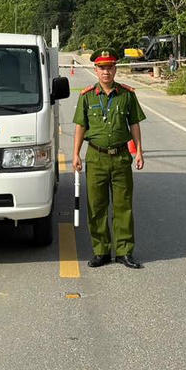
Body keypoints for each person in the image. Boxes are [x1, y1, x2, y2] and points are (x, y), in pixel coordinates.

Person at [72, 47, 146, 269]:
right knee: (97, 206)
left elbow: (134, 124)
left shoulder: (127, 95)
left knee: (123, 206)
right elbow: (80, 126)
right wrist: (75, 153)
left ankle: (124, 251)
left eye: (110, 67)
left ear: (115, 69)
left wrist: (139, 151)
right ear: (95, 70)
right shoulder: (86, 97)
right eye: (102, 68)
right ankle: (101, 251)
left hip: (121, 156)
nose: (106, 72)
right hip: (96, 156)